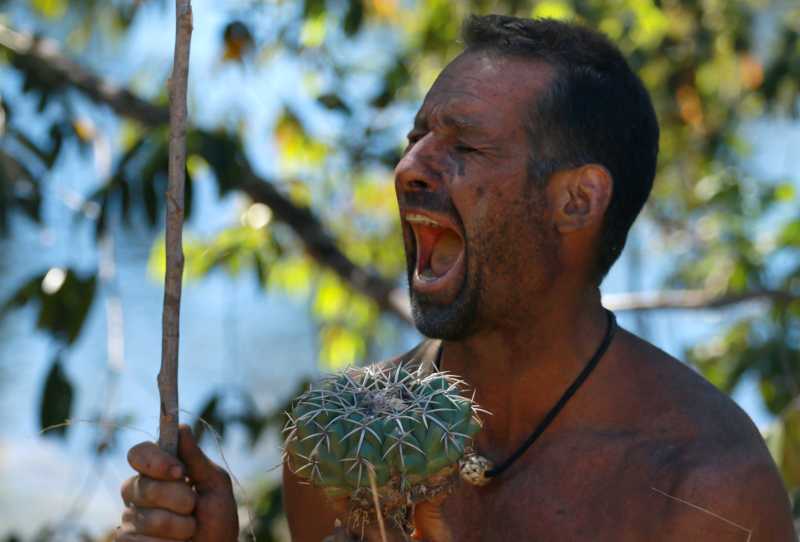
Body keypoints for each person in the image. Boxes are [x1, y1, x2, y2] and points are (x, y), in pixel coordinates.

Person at [116, 15, 797, 542]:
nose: (409, 167)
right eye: (416, 138)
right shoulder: (341, 447)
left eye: (464, 146)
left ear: (577, 202)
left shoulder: (707, 490)